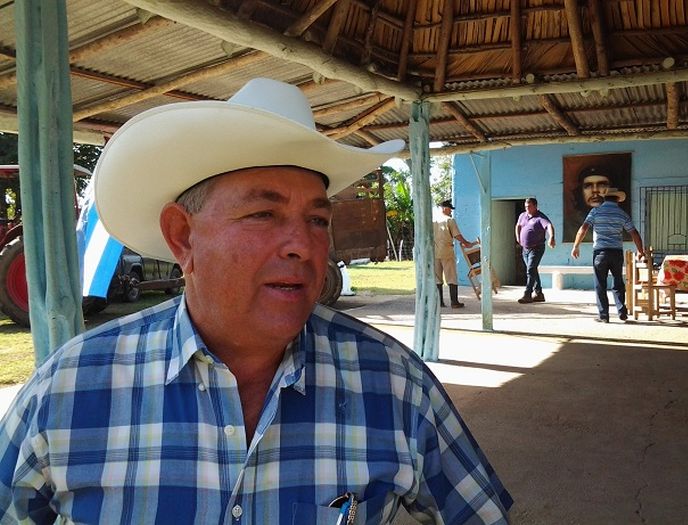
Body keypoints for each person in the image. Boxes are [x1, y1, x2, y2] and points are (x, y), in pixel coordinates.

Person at [0, 78, 512, 523]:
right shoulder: (70, 389)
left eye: (317, 219)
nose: (304, 245)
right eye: (264, 215)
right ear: (183, 237)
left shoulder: (394, 383)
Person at [571, 187, 645, 323]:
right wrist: (640, 250)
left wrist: (576, 246)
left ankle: (604, 316)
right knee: (617, 281)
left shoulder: (595, 211)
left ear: (605, 198)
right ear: (617, 199)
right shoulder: (622, 214)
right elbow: (634, 233)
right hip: (616, 252)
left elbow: (584, 228)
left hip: (600, 252)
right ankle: (622, 311)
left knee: (600, 284)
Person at [433, 199, 476, 308]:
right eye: (450, 209)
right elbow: (457, 235)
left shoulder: (433, 221)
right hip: (446, 251)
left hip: (434, 252)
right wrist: (466, 243)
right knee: (451, 276)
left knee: (437, 278)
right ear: (445, 208)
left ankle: (439, 302)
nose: (451, 212)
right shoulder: (449, 220)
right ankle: (454, 302)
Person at [515, 197, 555, 304]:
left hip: (536, 248)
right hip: (525, 249)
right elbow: (518, 226)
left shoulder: (540, 217)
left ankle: (527, 294)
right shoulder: (522, 215)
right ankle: (539, 293)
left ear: (535, 206)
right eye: (526, 207)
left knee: (530, 270)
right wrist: (518, 237)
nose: (527, 208)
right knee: (532, 270)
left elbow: (549, 226)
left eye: (529, 206)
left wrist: (551, 237)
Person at [564, 165, 612, 241]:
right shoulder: (571, 224)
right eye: (588, 186)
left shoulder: (618, 217)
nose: (595, 190)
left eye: (601, 185)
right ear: (581, 191)